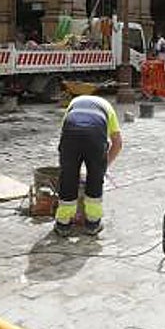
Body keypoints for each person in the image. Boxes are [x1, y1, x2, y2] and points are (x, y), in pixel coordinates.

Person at [54, 93, 122, 237]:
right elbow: (118, 143)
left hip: (70, 135)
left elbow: (64, 131)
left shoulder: (74, 103)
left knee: (68, 178)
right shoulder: (108, 108)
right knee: (95, 180)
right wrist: (103, 167)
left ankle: (63, 224)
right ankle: (92, 224)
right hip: (95, 137)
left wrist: (69, 166)